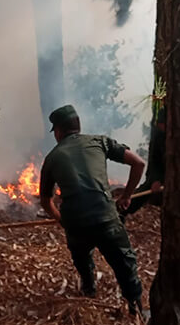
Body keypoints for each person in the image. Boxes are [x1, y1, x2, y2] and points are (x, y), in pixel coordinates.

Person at [39, 105, 146, 314]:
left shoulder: (52, 158)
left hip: (76, 224)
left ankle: (89, 287)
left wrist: (60, 219)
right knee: (124, 263)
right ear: (78, 126)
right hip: (107, 218)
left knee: (81, 255)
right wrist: (126, 196)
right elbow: (139, 163)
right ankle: (136, 308)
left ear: (59, 131)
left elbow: (45, 200)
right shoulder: (99, 142)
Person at [120, 107, 180, 241]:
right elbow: (154, 160)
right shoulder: (158, 134)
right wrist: (155, 180)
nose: (161, 128)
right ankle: (120, 216)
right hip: (162, 172)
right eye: (159, 125)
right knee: (141, 194)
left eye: (163, 125)